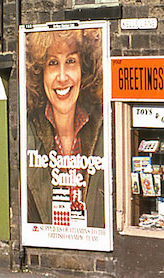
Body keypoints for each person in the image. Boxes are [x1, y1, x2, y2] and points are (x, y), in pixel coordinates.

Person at [24, 27, 105, 228]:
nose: (62, 77)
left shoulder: (106, 127)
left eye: (70, 61)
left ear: (83, 68)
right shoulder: (27, 133)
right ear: (40, 73)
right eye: (53, 63)